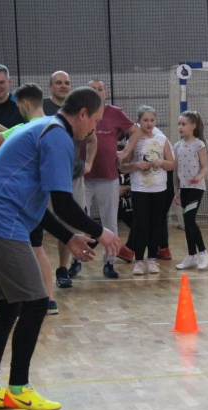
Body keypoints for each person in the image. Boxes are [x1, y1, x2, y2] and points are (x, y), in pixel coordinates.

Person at [0, 86, 122, 410]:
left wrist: (69, 237)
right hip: (0, 225)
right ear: (82, 114)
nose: (94, 128)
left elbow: (40, 204)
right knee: (36, 303)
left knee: (9, 307)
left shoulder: (41, 127)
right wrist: (99, 231)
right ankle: (19, 388)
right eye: (95, 121)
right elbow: (62, 201)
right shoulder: (58, 136)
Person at [0, 84, 60, 315]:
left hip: (18, 204)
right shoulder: (48, 125)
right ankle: (48, 300)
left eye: (19, 106)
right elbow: (13, 133)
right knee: (37, 249)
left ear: (25, 104)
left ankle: (31, 300)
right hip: (33, 202)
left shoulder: (28, 128)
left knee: (32, 250)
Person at [41, 71, 97, 288]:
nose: (63, 86)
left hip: (72, 176)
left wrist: (88, 163)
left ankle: (63, 268)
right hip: (45, 179)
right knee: (38, 222)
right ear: (50, 86)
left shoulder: (79, 111)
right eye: (59, 83)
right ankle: (37, 271)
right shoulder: (44, 110)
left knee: (70, 223)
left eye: (67, 83)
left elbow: (92, 139)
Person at [83, 80, 141, 278]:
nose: (96, 92)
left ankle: (109, 262)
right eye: (92, 90)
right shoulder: (80, 113)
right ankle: (75, 262)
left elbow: (136, 131)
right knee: (78, 221)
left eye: (100, 89)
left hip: (108, 176)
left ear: (105, 94)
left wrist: (125, 152)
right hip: (83, 177)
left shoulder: (115, 113)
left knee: (110, 222)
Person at [119, 106, 174, 275]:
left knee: (155, 224)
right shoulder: (133, 141)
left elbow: (172, 164)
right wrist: (136, 165)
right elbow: (123, 167)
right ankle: (139, 261)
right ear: (138, 121)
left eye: (152, 120)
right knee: (141, 224)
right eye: (145, 120)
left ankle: (152, 259)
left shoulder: (162, 139)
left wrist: (161, 162)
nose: (149, 123)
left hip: (159, 189)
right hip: (140, 189)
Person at [172, 111, 208, 271]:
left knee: (189, 219)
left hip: (196, 188)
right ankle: (192, 256)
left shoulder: (199, 144)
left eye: (184, 124)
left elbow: (205, 167)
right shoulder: (177, 146)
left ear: (193, 126)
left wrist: (198, 177)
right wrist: (176, 191)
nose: (180, 127)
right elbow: (176, 171)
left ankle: (203, 253)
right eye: (179, 124)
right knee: (187, 223)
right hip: (184, 189)